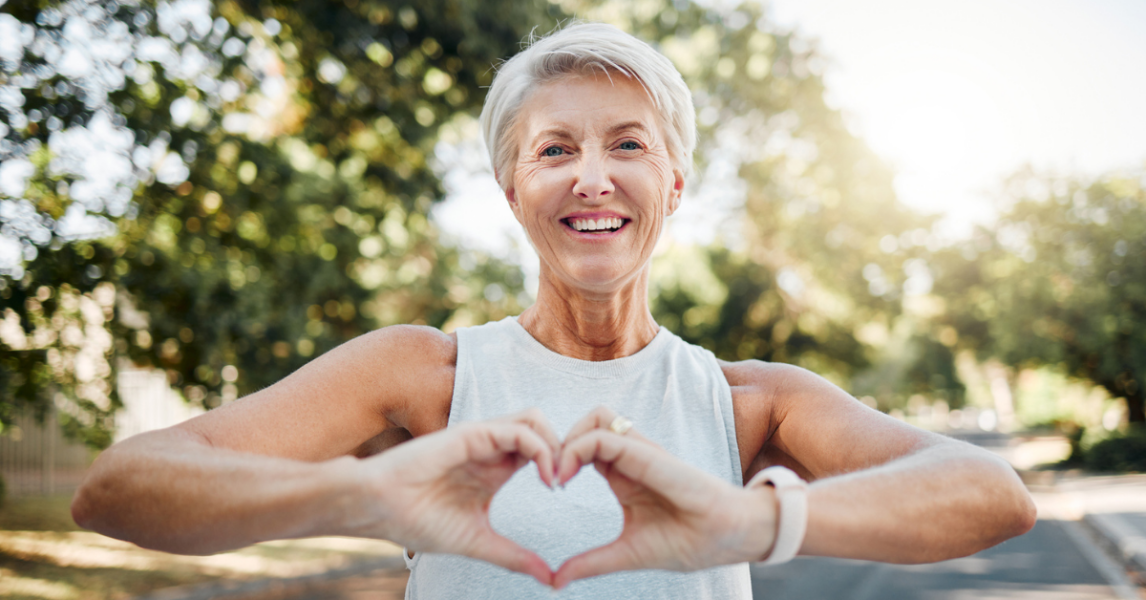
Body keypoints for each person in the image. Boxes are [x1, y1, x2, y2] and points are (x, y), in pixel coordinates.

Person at [71, 22, 1036, 599]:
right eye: (554, 149)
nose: (592, 176)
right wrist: (364, 496)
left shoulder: (750, 403)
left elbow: (992, 496)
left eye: (626, 144)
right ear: (511, 190)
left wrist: (749, 523)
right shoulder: (422, 376)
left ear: (672, 181)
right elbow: (120, 486)